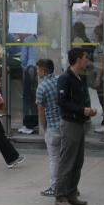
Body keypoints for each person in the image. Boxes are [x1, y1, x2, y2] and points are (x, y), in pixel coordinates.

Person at [55, 48, 97, 205]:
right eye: (86, 58)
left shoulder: (80, 78)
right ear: (78, 60)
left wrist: (87, 110)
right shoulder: (65, 78)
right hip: (70, 123)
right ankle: (61, 195)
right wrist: (82, 110)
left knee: (78, 161)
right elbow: (62, 101)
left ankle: (72, 192)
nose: (88, 61)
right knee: (68, 160)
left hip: (79, 122)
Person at [36, 59, 60, 197]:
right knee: (65, 158)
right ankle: (69, 186)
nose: (37, 72)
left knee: (54, 158)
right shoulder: (59, 80)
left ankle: (54, 187)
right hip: (65, 124)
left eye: (38, 69)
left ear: (44, 71)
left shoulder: (42, 87)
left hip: (52, 126)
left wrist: (45, 129)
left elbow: (41, 112)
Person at [19, 33, 39, 134]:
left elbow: (23, 59)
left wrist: (24, 67)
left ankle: (29, 124)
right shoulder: (47, 38)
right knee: (39, 96)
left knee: (28, 98)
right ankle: (39, 121)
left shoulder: (28, 40)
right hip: (44, 69)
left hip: (31, 69)